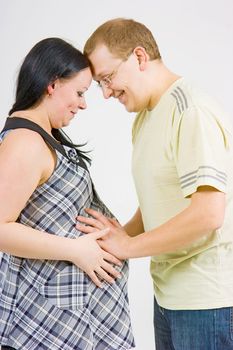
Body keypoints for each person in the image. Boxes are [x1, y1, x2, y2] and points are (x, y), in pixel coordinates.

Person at [76, 18, 233, 349]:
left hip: (207, 303)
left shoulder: (190, 111)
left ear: (139, 57)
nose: (105, 93)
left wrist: (128, 248)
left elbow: (208, 215)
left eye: (107, 78)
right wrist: (119, 233)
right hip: (167, 297)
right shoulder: (145, 119)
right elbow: (160, 203)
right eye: (98, 85)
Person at [0, 37, 135, 350]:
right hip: (48, 318)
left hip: (67, 311)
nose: (84, 104)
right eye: (79, 92)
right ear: (52, 84)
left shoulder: (43, 138)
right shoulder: (24, 143)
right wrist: (76, 250)